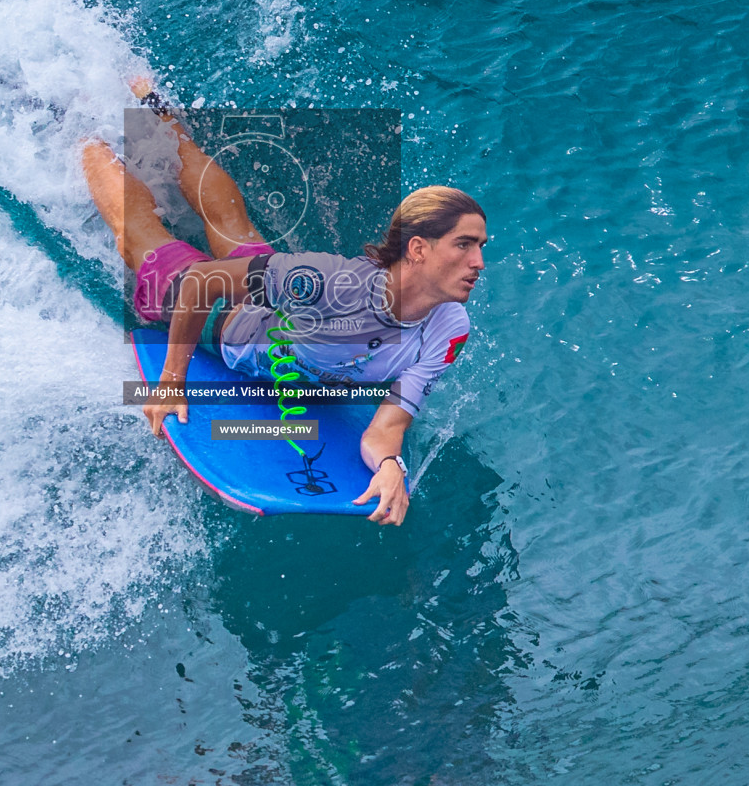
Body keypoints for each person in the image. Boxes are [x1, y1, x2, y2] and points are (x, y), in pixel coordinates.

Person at [83, 78, 486, 526]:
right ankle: (83, 131)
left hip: (284, 306)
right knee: (140, 239)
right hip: (228, 324)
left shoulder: (450, 328)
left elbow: (388, 426)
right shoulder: (336, 283)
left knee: (231, 222)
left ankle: (159, 115)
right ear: (418, 249)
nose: (479, 262)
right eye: (464, 245)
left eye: (481, 246)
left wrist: (392, 465)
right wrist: (172, 381)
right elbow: (201, 286)